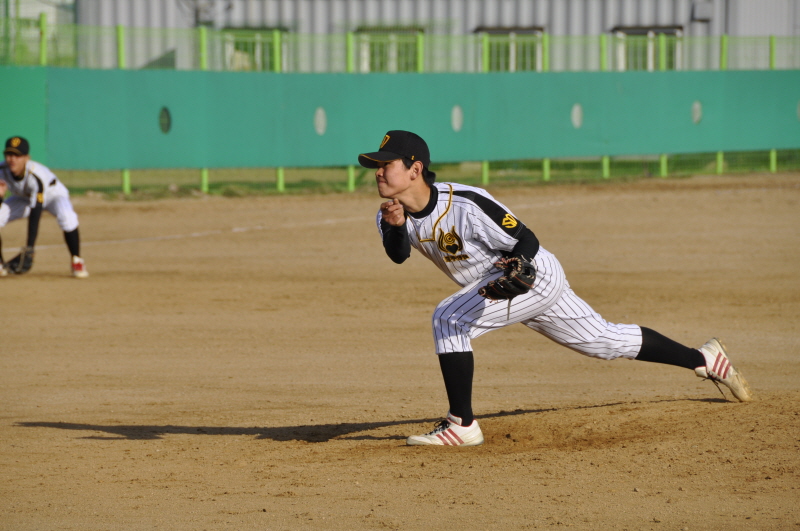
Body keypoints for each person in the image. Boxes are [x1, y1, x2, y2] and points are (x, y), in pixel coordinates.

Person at [358, 130, 751, 447]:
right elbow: (398, 255)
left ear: (415, 169)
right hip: (499, 287)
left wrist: (521, 267)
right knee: (603, 339)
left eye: (385, 164)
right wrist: (394, 226)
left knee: (448, 319)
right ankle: (704, 359)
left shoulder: (465, 202)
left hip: (534, 275)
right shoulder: (390, 213)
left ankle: (462, 424)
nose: (377, 172)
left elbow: (526, 237)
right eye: (375, 166)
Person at [0, 136, 89, 278]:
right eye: (9, 154)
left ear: (27, 158)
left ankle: (76, 260)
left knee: (67, 217)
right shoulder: (1, 170)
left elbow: (36, 212)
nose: (12, 159)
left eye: (18, 155)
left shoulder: (36, 175)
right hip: (24, 198)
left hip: (53, 195)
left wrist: (30, 247)